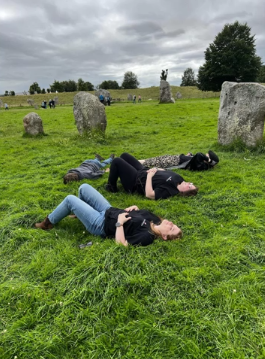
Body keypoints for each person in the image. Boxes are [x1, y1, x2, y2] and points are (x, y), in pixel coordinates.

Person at [35, 183, 182, 246]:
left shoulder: (147, 236)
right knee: (83, 188)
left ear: (164, 237)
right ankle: (80, 214)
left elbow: (121, 244)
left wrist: (119, 223)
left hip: (101, 224)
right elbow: (135, 214)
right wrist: (133, 208)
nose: (171, 223)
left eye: (171, 229)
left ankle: (48, 223)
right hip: (108, 209)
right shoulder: (155, 219)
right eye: (174, 225)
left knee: (69, 200)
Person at [105, 152, 198, 200]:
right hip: (143, 170)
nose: (189, 183)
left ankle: (111, 187)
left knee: (117, 161)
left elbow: (150, 195)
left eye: (189, 186)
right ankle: (121, 176)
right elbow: (165, 171)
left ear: (185, 192)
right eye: (191, 183)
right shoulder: (180, 179)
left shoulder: (170, 191)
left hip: (136, 181)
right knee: (124, 155)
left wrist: (149, 176)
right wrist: (155, 169)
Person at [139, 150, 219, 171]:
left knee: (150, 162)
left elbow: (199, 154)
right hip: (175, 158)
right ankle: (135, 162)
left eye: (207, 156)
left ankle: (133, 162)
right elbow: (194, 158)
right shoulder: (201, 162)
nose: (205, 155)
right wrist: (189, 155)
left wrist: (209, 160)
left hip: (175, 161)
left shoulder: (202, 165)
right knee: (152, 160)